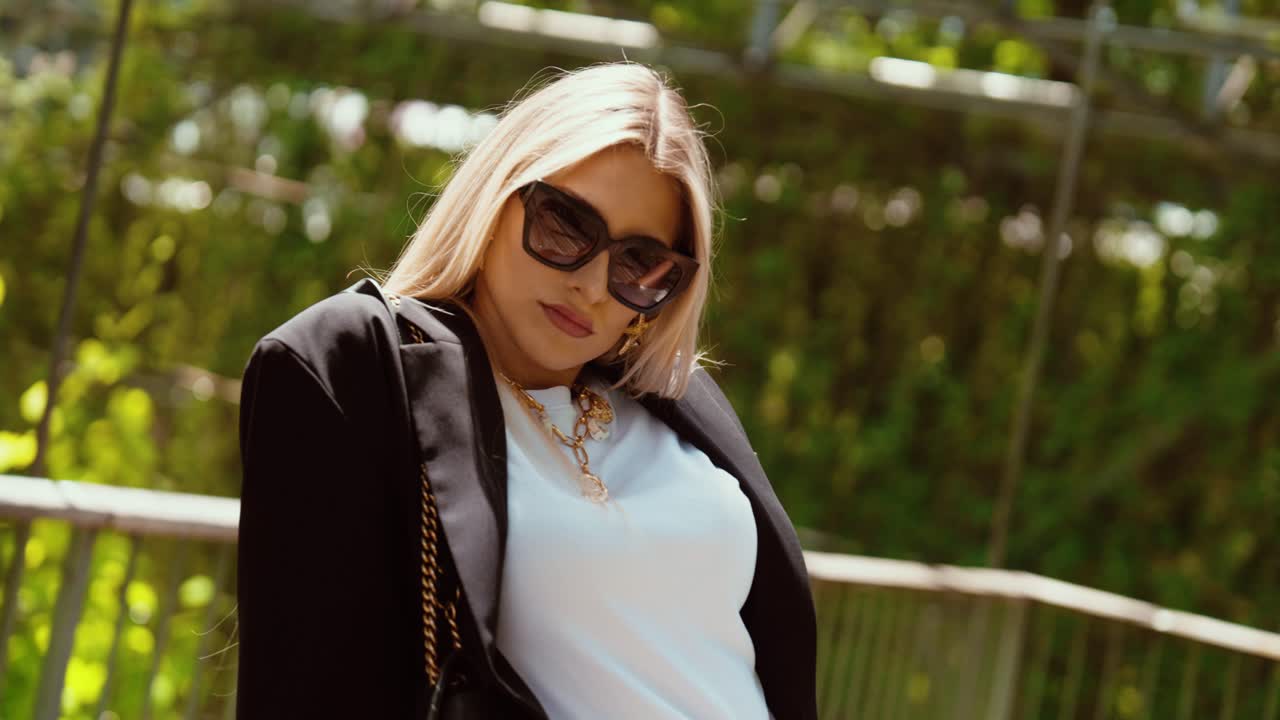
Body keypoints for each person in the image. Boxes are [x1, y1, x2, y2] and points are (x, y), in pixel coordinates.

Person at [235, 62, 817, 720]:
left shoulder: (682, 402)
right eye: (566, 226)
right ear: (497, 192)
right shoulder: (363, 366)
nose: (593, 286)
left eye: (639, 264)